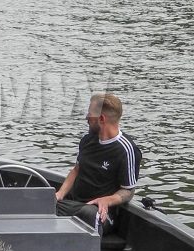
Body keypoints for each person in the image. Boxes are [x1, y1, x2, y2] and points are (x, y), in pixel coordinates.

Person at [55, 92, 142, 230]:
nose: (86, 117)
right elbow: (76, 170)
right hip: (74, 204)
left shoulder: (126, 149)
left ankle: (87, 250)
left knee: (90, 214)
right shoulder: (87, 140)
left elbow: (128, 191)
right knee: (42, 204)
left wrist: (107, 200)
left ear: (101, 118)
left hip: (101, 212)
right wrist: (59, 194)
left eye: (90, 114)